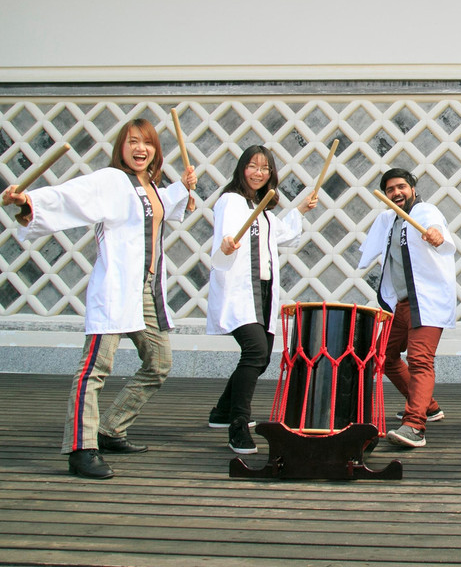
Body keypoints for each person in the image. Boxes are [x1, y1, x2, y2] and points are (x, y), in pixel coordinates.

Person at [1, 118, 197, 479]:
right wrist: (29, 201)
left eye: (148, 143)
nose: (141, 149)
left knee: (159, 363)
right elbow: (73, 195)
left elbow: (163, 206)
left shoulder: (150, 185)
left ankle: (110, 429)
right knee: (93, 371)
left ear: (156, 151)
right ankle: (81, 447)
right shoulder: (111, 181)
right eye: (133, 142)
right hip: (117, 290)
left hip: (147, 290)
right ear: (121, 147)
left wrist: (184, 190)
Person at [206, 145, 318, 454]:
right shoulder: (230, 201)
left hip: (264, 291)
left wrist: (301, 211)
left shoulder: (263, 211)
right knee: (255, 351)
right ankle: (238, 425)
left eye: (265, 168)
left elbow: (283, 235)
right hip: (240, 289)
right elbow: (227, 235)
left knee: (262, 355)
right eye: (253, 166)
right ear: (242, 169)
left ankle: (221, 412)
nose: (259, 172)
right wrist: (228, 243)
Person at [357, 168, 456, 449]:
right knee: (383, 356)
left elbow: (438, 230)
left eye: (401, 187)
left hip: (426, 300)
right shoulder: (389, 219)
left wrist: (437, 236)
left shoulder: (425, 212)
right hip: (401, 302)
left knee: (420, 360)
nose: (396, 193)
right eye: (390, 190)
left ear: (413, 188)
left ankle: (415, 425)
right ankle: (429, 406)